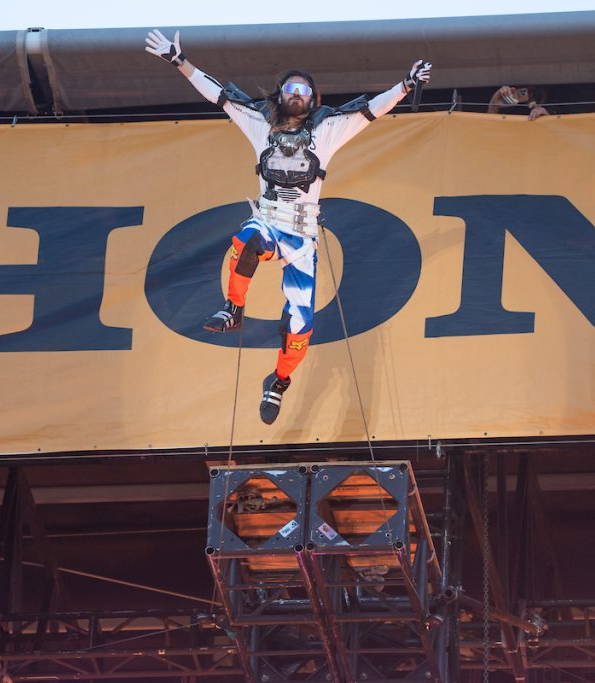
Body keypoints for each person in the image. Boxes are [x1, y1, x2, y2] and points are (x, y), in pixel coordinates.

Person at [145, 29, 431, 425]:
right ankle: (234, 306)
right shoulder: (259, 125)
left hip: (302, 238)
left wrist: (405, 85)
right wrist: (179, 61)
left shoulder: (325, 132)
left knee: (300, 326)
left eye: (305, 89)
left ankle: (278, 381)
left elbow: (370, 111)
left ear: (313, 99)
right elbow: (221, 95)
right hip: (267, 218)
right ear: (279, 94)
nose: (297, 93)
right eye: (291, 87)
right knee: (246, 240)